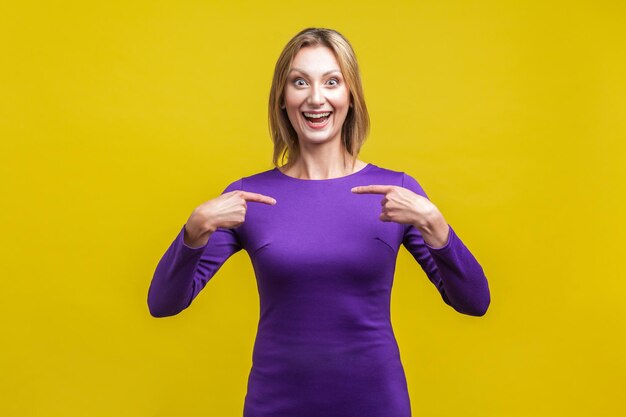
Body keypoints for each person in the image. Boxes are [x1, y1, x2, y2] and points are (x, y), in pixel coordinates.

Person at [148, 27, 490, 417]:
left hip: (376, 403)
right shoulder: (249, 197)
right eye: (300, 82)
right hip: (275, 404)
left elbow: (474, 302)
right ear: (282, 97)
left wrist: (437, 227)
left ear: (350, 96)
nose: (316, 98)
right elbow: (163, 304)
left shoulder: (395, 190)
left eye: (331, 81)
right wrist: (192, 232)